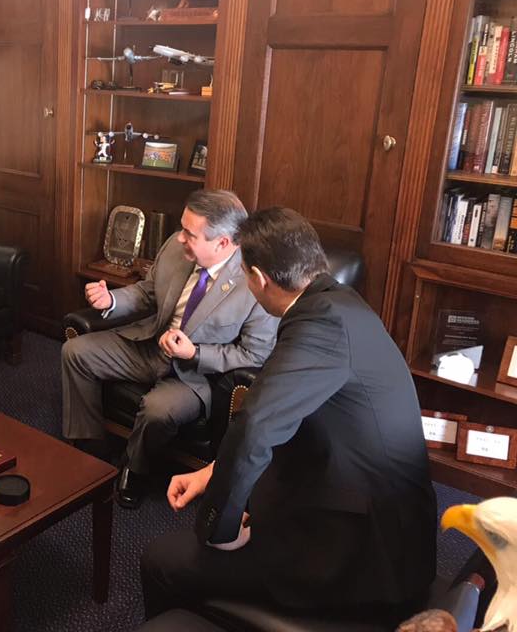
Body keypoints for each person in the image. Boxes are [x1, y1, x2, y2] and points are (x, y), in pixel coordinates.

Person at [139, 208, 437, 627]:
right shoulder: (338, 303)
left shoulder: (320, 326)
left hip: (368, 555)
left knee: (162, 559)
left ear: (258, 279)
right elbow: (293, 419)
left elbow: (256, 426)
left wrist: (220, 530)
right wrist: (214, 471)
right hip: (377, 511)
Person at [61, 189, 278, 509]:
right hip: (151, 346)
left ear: (222, 243)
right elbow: (148, 292)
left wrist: (195, 353)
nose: (180, 238)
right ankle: (91, 447)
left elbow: (253, 355)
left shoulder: (256, 282)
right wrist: (112, 301)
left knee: (157, 411)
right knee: (75, 352)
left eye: (190, 234)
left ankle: (134, 469)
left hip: (195, 374)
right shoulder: (176, 248)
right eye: (182, 228)